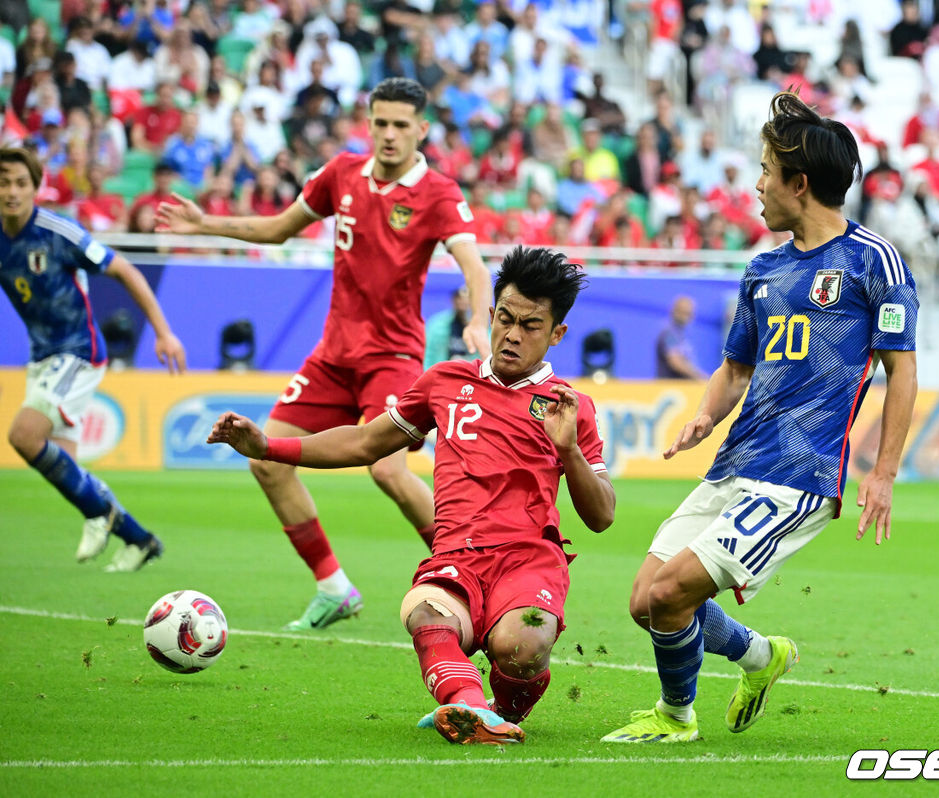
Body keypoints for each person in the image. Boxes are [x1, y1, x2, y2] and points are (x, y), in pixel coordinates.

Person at [602, 92, 918, 744]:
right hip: (737, 462)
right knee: (645, 602)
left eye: (768, 173)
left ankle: (675, 716)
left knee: (669, 597)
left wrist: (883, 473)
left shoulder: (872, 262)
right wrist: (704, 415)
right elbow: (735, 368)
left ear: (799, 185)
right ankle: (758, 656)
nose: (757, 185)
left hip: (798, 476)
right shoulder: (762, 269)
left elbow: (901, 370)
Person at [208, 246, 615, 745]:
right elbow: (364, 442)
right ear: (489, 315)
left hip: (528, 561)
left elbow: (602, 516)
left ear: (557, 335)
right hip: (457, 557)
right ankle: (471, 713)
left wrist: (569, 451)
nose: (511, 335)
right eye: (504, 318)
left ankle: (503, 708)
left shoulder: (572, 407)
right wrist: (269, 446)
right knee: (422, 611)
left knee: (522, 641)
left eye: (530, 326)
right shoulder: (445, 382)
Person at [157, 78, 492, 631]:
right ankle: (334, 587)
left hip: (392, 356)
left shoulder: (438, 193)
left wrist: (478, 316)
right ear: (369, 123)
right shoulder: (341, 173)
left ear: (422, 130)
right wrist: (204, 223)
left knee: (386, 471)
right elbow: (279, 229)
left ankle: (471, 570)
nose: (389, 134)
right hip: (333, 356)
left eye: (401, 125)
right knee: (265, 458)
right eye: (380, 122)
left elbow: (474, 266)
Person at [0, 146, 186, 572]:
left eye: (20, 183)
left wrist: (163, 332)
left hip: (78, 351)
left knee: (24, 436)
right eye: (3, 182)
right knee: (66, 472)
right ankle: (139, 540)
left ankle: (99, 514)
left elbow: (124, 269)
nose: (11, 191)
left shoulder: (57, 232)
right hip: (42, 357)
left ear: (35, 188)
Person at [656, 296, 705, 380]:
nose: (687, 316)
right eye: (683, 312)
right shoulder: (669, 333)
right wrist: (699, 377)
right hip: (671, 388)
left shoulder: (681, 334)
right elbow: (675, 361)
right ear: (674, 311)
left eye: (689, 313)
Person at [424, 286, 473, 368]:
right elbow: (428, 354)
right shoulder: (437, 324)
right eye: (459, 298)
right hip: (442, 372)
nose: (463, 302)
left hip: (468, 374)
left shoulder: (480, 328)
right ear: (454, 300)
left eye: (466, 298)